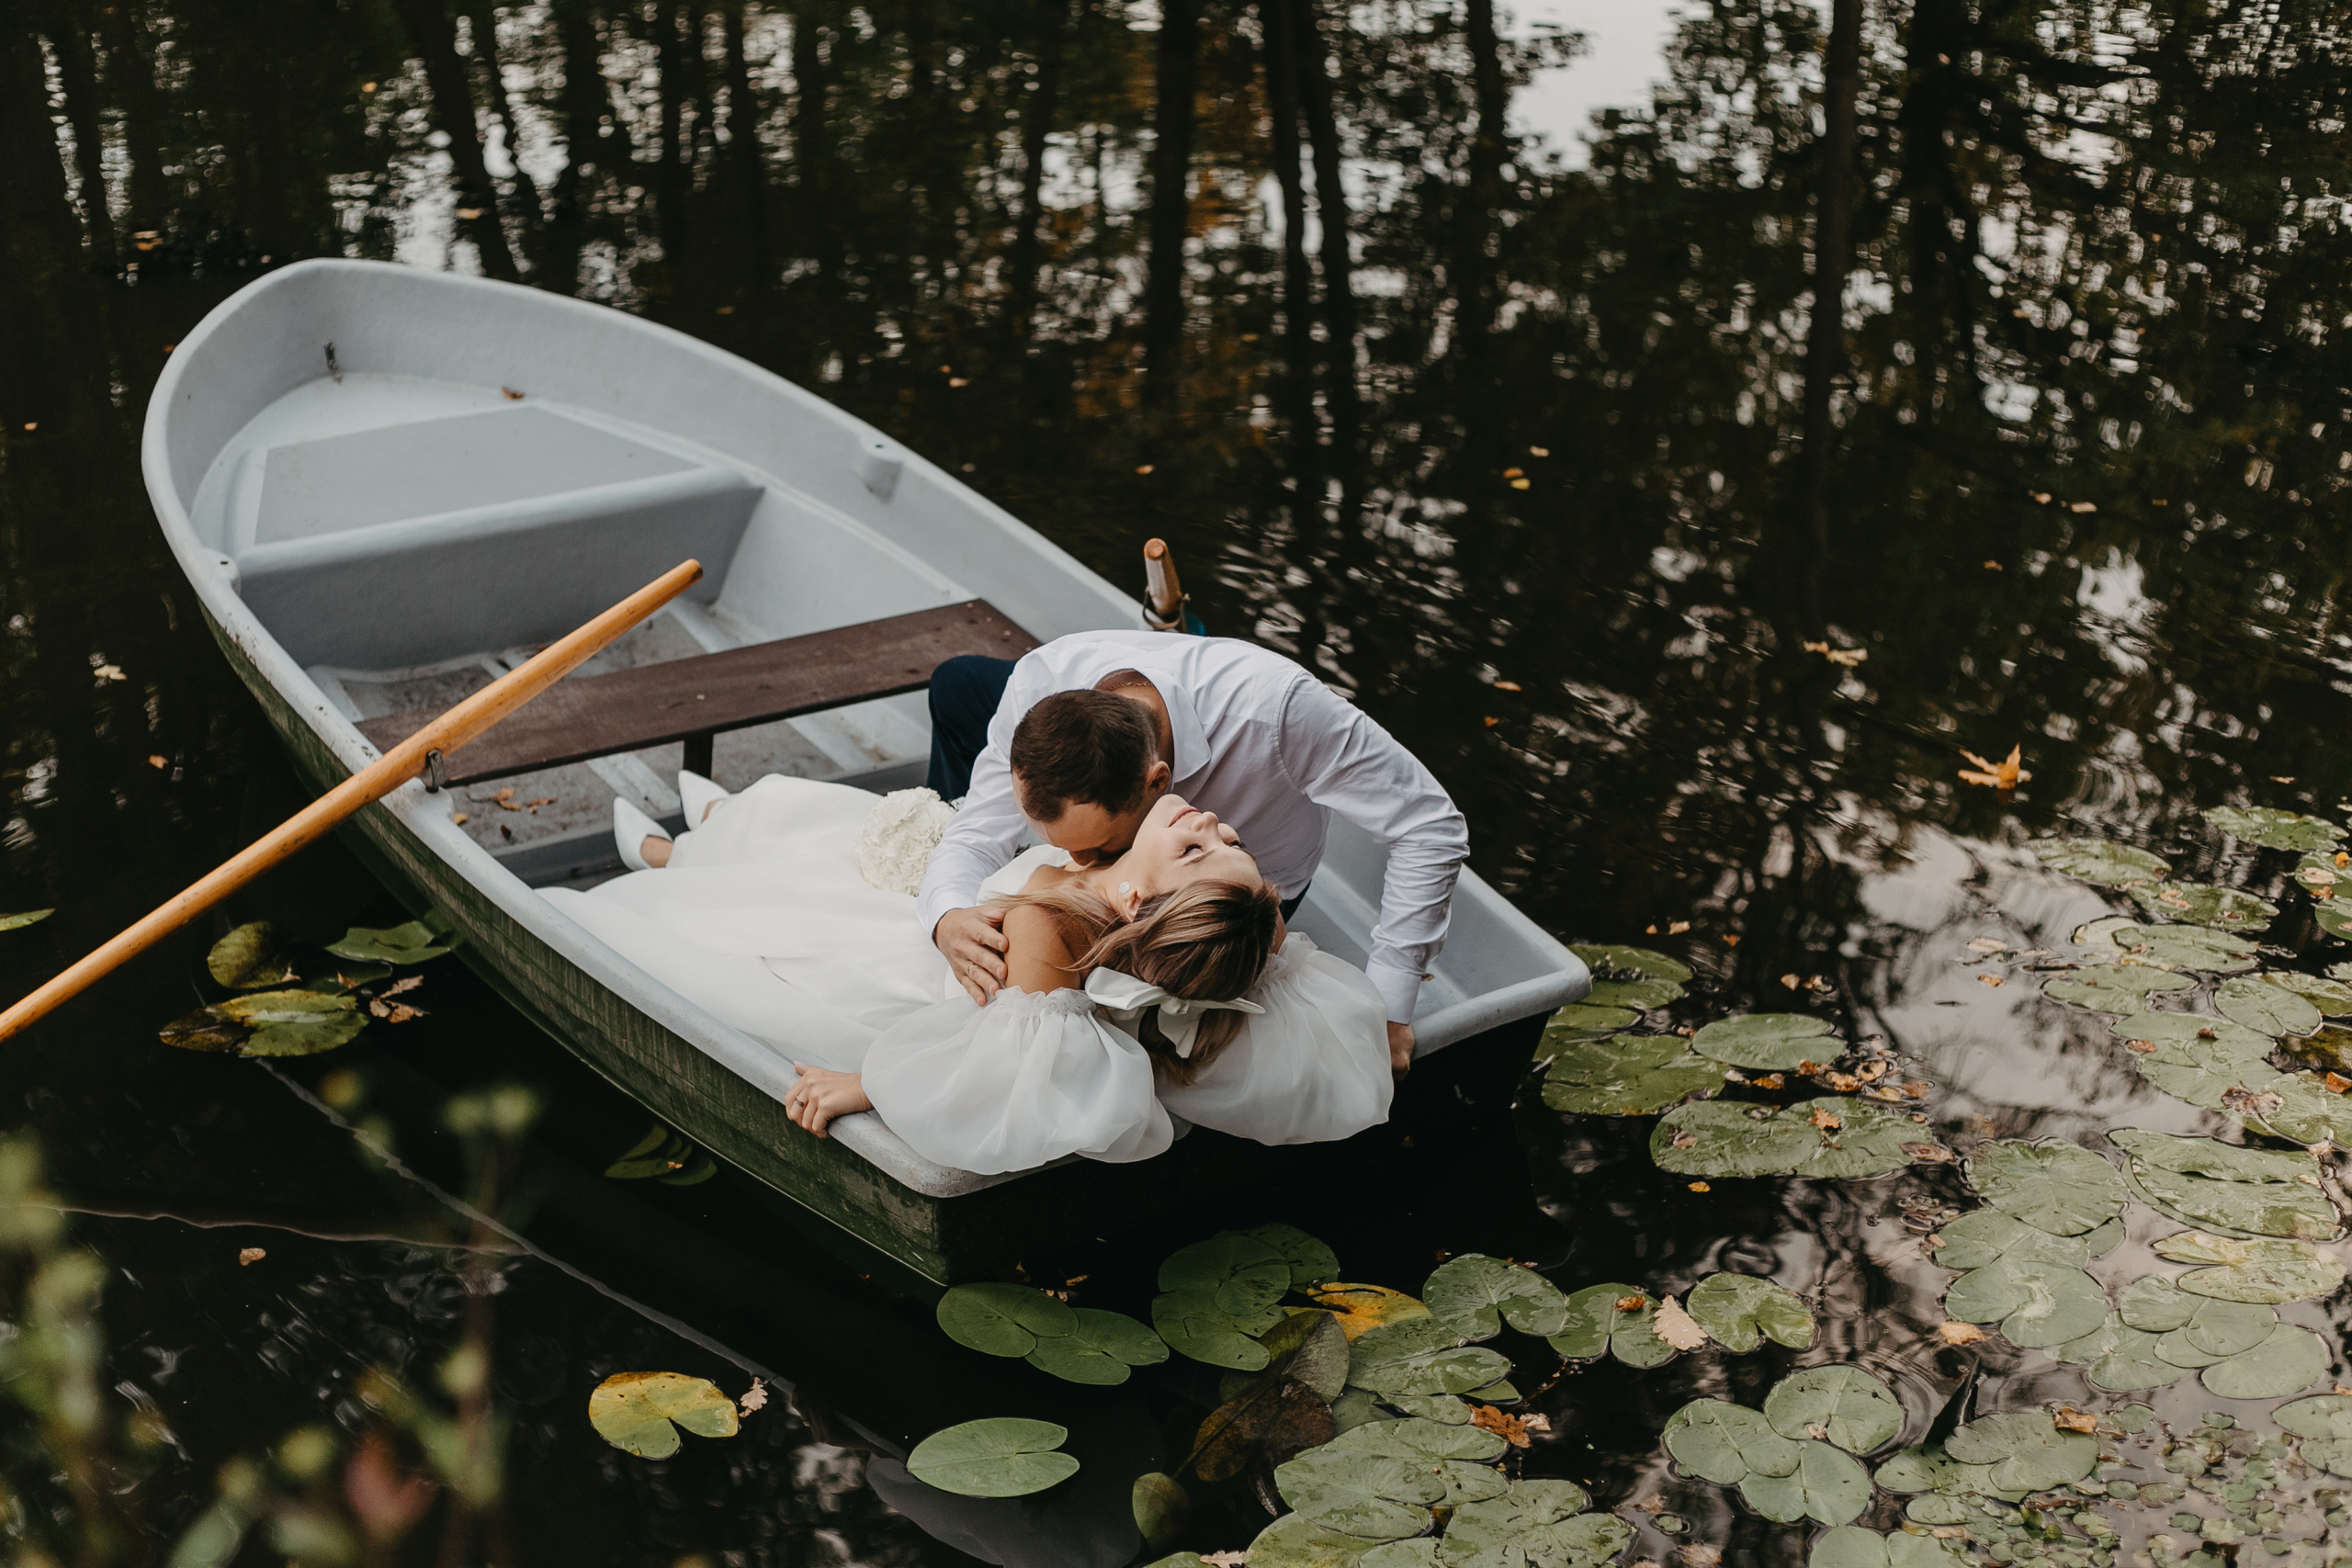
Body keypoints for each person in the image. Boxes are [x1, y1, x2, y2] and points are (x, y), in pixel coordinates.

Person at [543, 771, 1394, 1175]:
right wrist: (1255, 910)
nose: (1214, 824)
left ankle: (669, 858)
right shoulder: (1232, 940)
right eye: (1227, 844)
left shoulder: (1048, 922)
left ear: (1133, 897)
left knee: (750, 912)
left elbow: (1006, 1066)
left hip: (916, 985)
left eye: (1200, 847)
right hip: (953, 934)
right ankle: (705, 827)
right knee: (825, 826)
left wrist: (869, 1083)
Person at [920, 631, 1470, 1072]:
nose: (1076, 868)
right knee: (958, 682)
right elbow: (977, 832)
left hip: (1232, 903)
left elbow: (1429, 825)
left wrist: (1391, 1006)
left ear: (1160, 783)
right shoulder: (1041, 681)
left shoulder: (1278, 711)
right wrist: (947, 916)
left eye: (1100, 847)